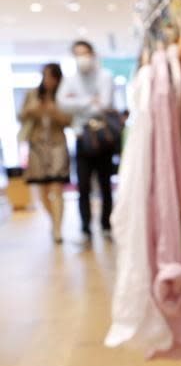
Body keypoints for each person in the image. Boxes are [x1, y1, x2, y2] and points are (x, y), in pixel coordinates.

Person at [57, 40, 115, 241]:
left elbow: (104, 105)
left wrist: (78, 103)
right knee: (83, 186)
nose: (82, 58)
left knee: (105, 185)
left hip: (102, 138)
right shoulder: (71, 79)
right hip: (82, 138)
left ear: (92, 53)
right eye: (77, 54)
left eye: (85, 53)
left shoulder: (105, 76)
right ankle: (85, 229)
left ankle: (106, 225)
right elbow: (62, 104)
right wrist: (90, 100)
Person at [18, 63, 72, 243]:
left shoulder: (62, 97)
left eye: (53, 77)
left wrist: (54, 111)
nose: (49, 80)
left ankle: (58, 229)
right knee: (43, 190)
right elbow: (21, 116)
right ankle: (52, 221)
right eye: (46, 76)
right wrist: (32, 109)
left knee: (57, 187)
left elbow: (69, 121)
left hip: (57, 144)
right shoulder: (32, 95)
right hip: (36, 145)